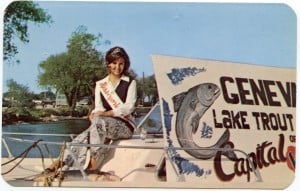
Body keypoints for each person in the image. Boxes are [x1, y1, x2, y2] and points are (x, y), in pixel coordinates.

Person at [46, 46, 137, 172]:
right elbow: (98, 107)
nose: (118, 67)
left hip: (125, 126)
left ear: (125, 65)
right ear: (109, 64)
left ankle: (93, 165)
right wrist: (94, 114)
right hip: (102, 124)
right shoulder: (101, 84)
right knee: (83, 136)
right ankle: (61, 161)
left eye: (121, 64)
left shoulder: (130, 82)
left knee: (99, 123)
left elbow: (129, 107)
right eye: (114, 63)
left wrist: (108, 113)